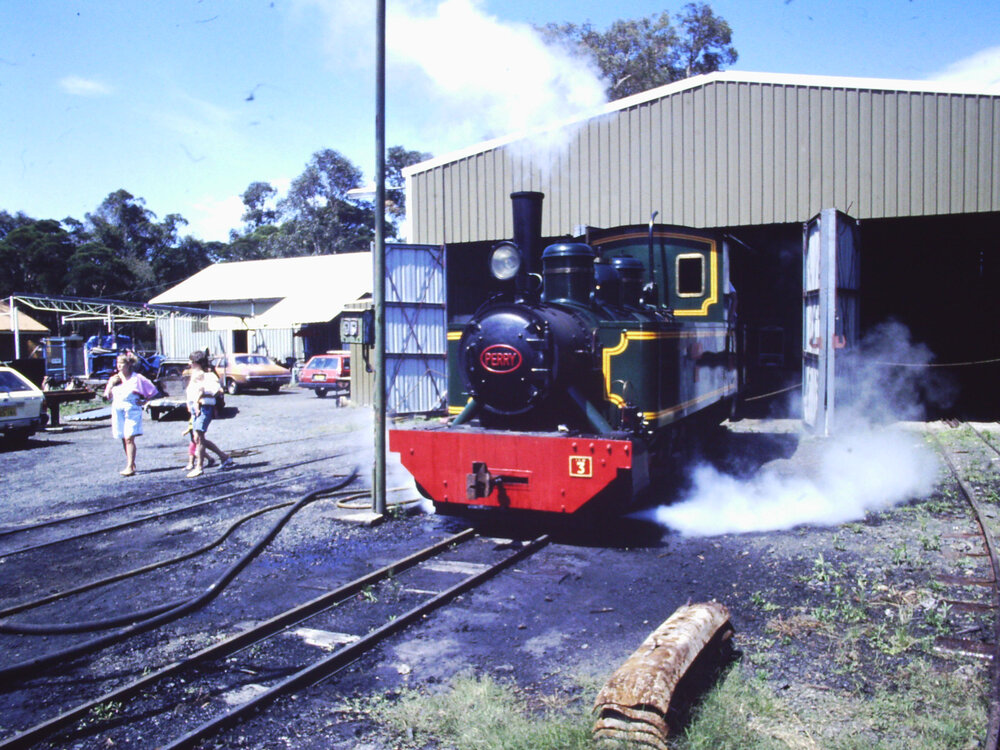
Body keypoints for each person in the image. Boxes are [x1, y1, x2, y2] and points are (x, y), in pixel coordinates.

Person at [104, 353, 158, 477]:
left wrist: (145, 401)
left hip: (131, 409)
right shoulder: (114, 379)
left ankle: (129, 467)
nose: (119, 366)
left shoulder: (137, 378)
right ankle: (131, 463)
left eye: (121, 363)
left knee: (129, 437)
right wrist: (111, 385)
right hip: (117, 408)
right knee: (123, 437)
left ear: (129, 365)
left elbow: (153, 391)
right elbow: (107, 397)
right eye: (117, 363)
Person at [185, 350, 234, 478]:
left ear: (197, 362)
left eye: (191, 361)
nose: (189, 363)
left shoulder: (209, 375)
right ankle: (224, 457)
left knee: (199, 437)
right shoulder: (194, 375)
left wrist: (201, 392)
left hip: (204, 407)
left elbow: (215, 391)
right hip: (195, 409)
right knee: (197, 438)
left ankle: (199, 467)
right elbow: (190, 393)